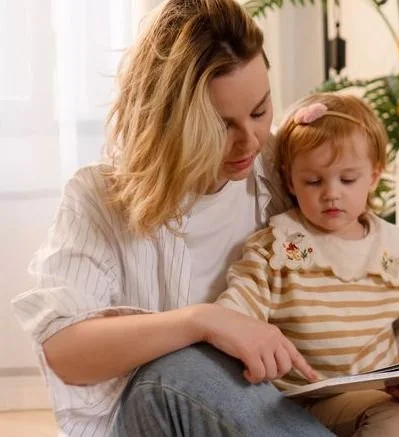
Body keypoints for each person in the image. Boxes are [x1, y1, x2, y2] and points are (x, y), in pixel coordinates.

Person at [10, 1, 334, 436]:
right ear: (169, 120)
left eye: (259, 112)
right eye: (221, 126)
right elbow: (65, 350)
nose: (250, 142)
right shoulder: (99, 199)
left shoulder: (280, 169)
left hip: (262, 408)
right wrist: (202, 322)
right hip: (157, 418)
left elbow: (355, 260)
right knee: (175, 373)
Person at [215, 93, 399, 437]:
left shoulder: (395, 249)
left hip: (386, 386)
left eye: (347, 180)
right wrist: (229, 326)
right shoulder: (278, 247)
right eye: (314, 181)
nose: (331, 193)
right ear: (290, 181)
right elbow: (235, 309)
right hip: (311, 398)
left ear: (374, 176)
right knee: (394, 418)